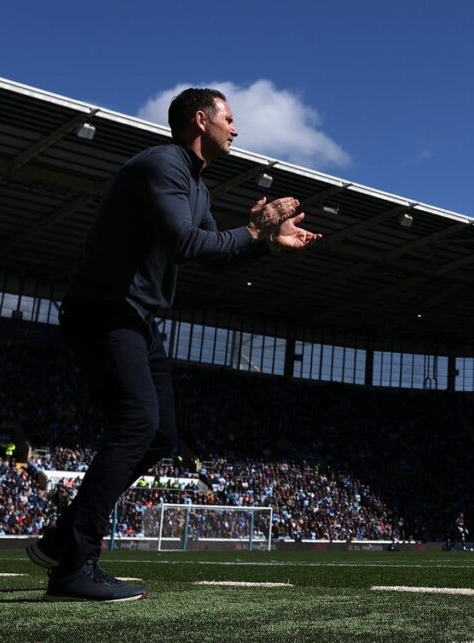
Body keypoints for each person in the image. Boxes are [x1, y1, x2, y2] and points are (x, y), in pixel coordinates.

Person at [26, 88, 320, 602]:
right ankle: (73, 564)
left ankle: (61, 539)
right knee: (137, 423)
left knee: (161, 436)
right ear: (201, 120)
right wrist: (253, 228)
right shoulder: (162, 165)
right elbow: (186, 242)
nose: (236, 128)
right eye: (229, 118)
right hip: (104, 307)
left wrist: (265, 243)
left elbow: (213, 254)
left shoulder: (198, 188)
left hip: (137, 317)